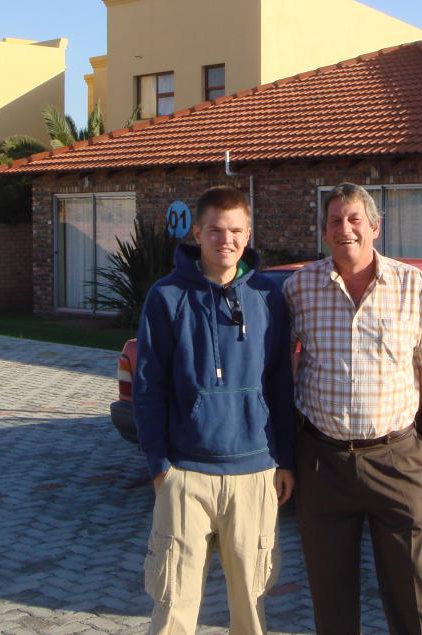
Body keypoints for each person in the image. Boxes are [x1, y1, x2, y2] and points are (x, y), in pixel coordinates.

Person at [282, 182, 422, 635]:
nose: (345, 229)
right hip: (323, 461)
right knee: (330, 593)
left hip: (397, 458)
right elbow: (281, 364)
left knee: (413, 590)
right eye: (335, 220)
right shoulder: (299, 289)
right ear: (324, 232)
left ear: (375, 226)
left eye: (355, 219)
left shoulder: (413, 286)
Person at [134, 186, 296, 635]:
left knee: (251, 607)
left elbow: (281, 384)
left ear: (248, 235)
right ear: (198, 233)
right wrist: (159, 465)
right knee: (173, 609)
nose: (226, 239)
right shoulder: (166, 297)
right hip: (185, 474)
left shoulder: (268, 297)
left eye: (236, 231)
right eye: (216, 230)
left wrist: (285, 459)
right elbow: (149, 386)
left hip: (254, 472)